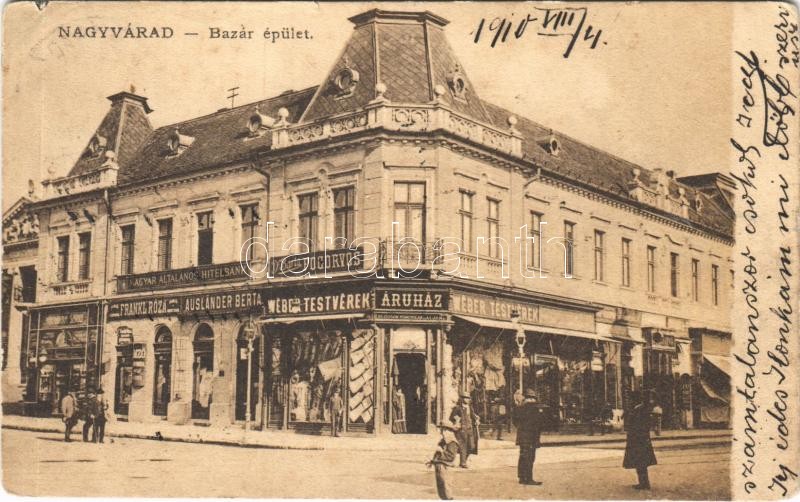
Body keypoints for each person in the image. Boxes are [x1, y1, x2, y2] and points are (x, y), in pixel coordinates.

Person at [623, 391, 657, 490]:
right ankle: (643, 482)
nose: (629, 401)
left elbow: (641, 425)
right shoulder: (638, 409)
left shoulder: (640, 409)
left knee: (640, 462)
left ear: (634, 400)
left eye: (630, 399)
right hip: (639, 439)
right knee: (640, 462)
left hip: (639, 440)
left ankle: (644, 483)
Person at [513, 388, 545, 485]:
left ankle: (522, 477)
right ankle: (529, 478)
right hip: (531, 437)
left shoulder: (519, 407)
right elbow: (539, 424)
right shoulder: (534, 409)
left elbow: (515, 422)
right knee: (530, 458)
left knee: (523, 456)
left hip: (522, 436)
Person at [427, 418, 462, 500]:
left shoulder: (452, 442)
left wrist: (441, 452)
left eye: (444, 431)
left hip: (446, 467)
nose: (442, 433)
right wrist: (433, 461)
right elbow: (437, 454)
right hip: (439, 466)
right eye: (441, 431)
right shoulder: (443, 441)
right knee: (441, 489)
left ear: (450, 431)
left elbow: (450, 456)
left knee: (446, 488)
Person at [449, 392, 479, 468]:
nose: (468, 399)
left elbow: (472, 416)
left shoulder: (469, 407)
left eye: (468, 398)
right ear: (462, 399)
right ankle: (463, 463)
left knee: (471, 446)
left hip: (470, 429)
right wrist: (456, 419)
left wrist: (476, 420)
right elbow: (451, 417)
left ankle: (462, 460)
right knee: (463, 446)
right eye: (466, 398)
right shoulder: (457, 408)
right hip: (461, 430)